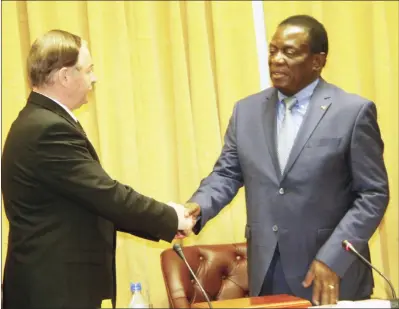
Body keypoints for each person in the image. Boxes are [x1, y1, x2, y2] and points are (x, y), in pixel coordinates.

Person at [183, 15, 389, 305]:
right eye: (272, 50)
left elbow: (373, 195)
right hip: (267, 270)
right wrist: (197, 208)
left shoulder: (353, 112)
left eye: (289, 52)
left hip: (329, 271)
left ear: (317, 61)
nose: (276, 60)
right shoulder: (247, 111)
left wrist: (334, 257)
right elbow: (227, 174)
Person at [1, 29, 195, 309]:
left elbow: (94, 200)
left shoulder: (42, 121)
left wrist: (165, 221)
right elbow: (106, 195)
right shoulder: (47, 129)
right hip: (53, 293)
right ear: (66, 76)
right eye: (89, 70)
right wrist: (170, 217)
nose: (94, 78)